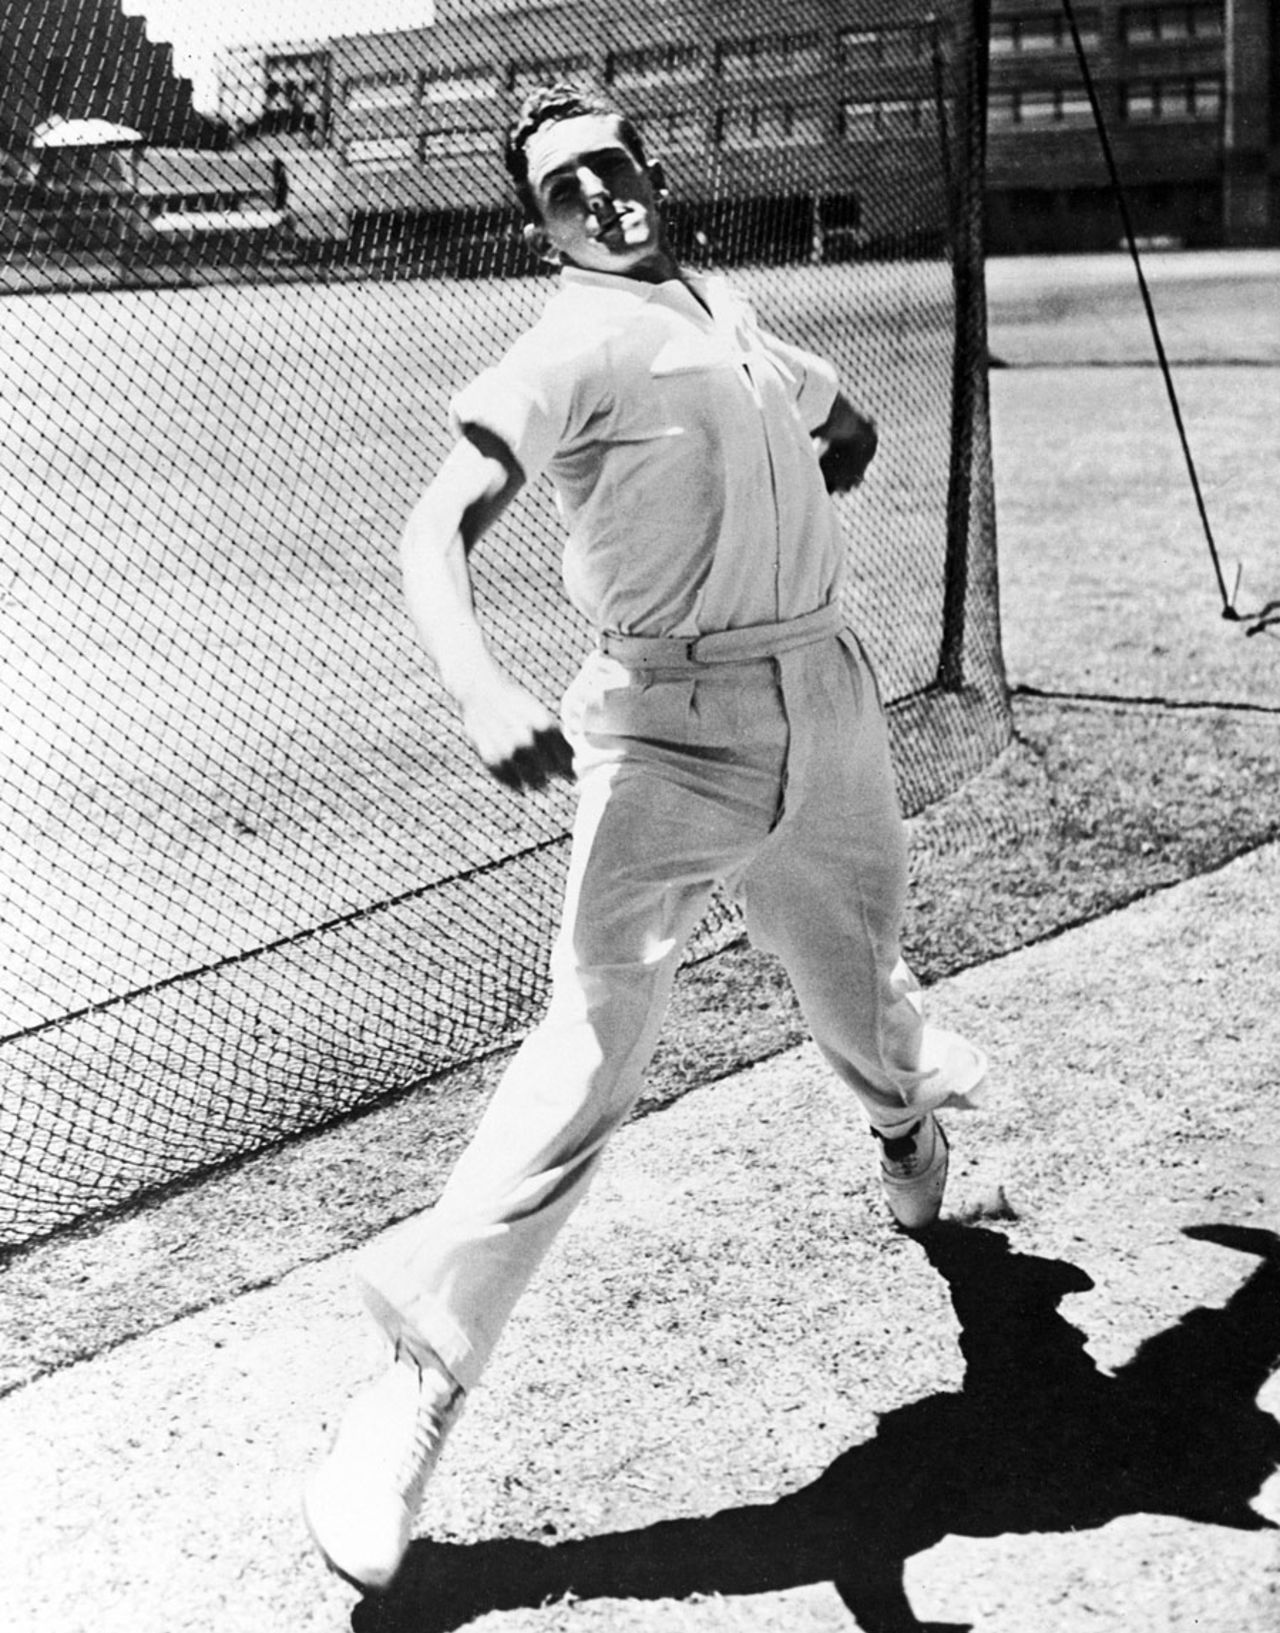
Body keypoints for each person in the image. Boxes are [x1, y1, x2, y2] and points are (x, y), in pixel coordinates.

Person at [303, 83, 988, 1593]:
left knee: (854, 978)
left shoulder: (723, 309)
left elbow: (846, 428)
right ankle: (417, 1383)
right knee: (591, 1040)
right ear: (535, 223)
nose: (601, 196)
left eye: (616, 167)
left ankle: (906, 1131)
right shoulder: (572, 341)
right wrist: (481, 683)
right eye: (564, 188)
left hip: (827, 694)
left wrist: (789, 483)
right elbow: (435, 531)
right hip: (665, 733)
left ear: (656, 172)